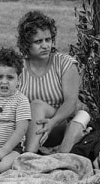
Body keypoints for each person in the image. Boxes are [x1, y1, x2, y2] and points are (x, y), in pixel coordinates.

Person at [16, 10, 90, 155]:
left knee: (37, 105)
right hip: (25, 128)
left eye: (48, 40)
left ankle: (28, 156)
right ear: (26, 44)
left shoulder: (65, 64)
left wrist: (52, 122)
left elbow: (71, 103)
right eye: (38, 41)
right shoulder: (18, 66)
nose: (45, 45)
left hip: (59, 126)